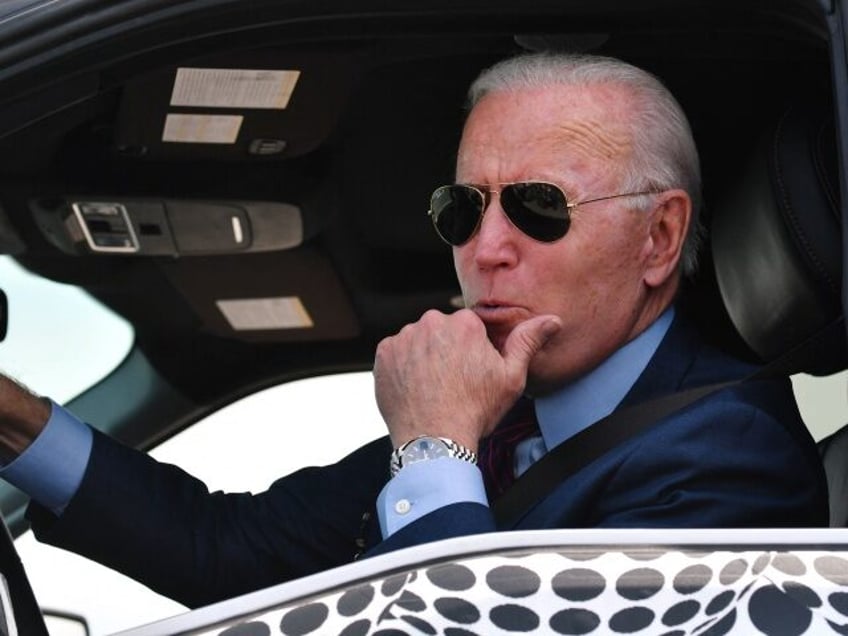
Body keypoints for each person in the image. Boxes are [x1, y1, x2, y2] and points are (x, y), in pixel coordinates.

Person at [0, 52, 828, 608]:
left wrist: (434, 450)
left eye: (540, 209)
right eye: (463, 208)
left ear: (659, 238)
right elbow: (223, 551)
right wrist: (13, 420)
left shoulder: (733, 460)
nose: (485, 248)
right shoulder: (506, 413)